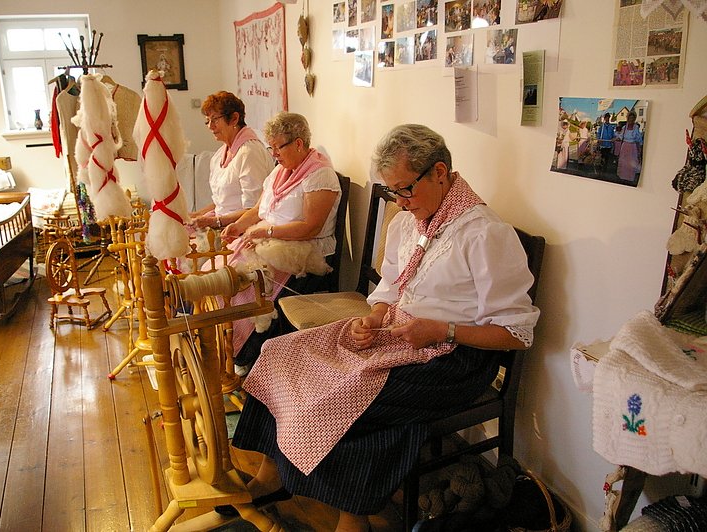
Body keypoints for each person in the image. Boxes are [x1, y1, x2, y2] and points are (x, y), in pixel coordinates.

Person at [226, 124, 540, 531]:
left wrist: (443, 331)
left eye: (406, 189)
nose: (401, 202)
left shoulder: (484, 234)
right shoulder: (409, 222)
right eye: (394, 192)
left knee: (343, 395)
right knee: (282, 354)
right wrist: (372, 317)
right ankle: (272, 475)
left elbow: (516, 334)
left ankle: (353, 517)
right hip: (398, 332)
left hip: (455, 356)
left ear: (440, 172)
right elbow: (392, 285)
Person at [221, 111, 341, 374]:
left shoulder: (320, 176)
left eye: (278, 146)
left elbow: (311, 227)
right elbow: (259, 209)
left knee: (250, 287)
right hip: (269, 242)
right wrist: (239, 226)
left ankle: (244, 356)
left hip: (304, 253)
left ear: (298, 143)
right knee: (225, 276)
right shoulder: (280, 171)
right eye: (271, 147)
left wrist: (266, 233)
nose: (274, 153)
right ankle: (223, 347)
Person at [189, 91, 273, 230]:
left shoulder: (249, 153)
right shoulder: (219, 154)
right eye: (207, 121)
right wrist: (195, 215)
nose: (210, 126)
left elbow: (253, 210)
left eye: (215, 119)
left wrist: (214, 222)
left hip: (243, 229)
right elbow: (222, 204)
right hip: (221, 223)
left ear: (234, 118)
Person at [617, 111, 643, 183]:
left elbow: (639, 139)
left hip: (632, 147)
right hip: (625, 147)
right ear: (628, 118)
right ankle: (623, 177)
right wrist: (616, 138)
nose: (631, 120)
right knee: (624, 162)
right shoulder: (624, 127)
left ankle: (630, 178)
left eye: (632, 118)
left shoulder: (636, 127)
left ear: (634, 119)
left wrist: (640, 148)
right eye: (630, 118)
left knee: (631, 163)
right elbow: (620, 136)